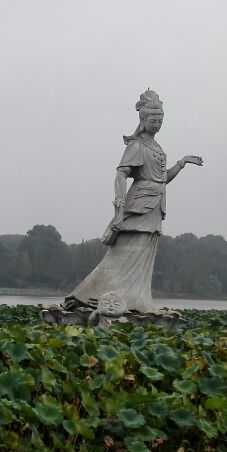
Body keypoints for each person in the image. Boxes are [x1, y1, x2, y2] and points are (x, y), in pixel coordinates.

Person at [64, 89, 203, 312]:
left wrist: (181, 163)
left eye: (160, 121)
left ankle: (137, 300)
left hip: (155, 207)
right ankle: (94, 296)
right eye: (153, 120)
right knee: (123, 254)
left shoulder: (157, 148)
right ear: (143, 119)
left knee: (145, 255)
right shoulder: (137, 145)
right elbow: (121, 173)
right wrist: (119, 201)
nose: (157, 124)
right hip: (138, 205)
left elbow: (162, 179)